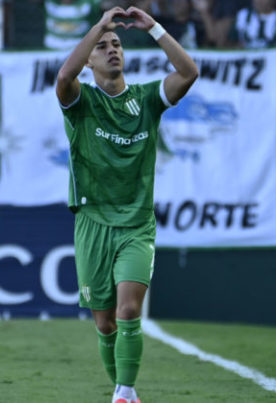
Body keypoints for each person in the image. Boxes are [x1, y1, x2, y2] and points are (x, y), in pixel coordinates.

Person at [55, 5, 198, 403]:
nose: (112, 49)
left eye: (116, 43)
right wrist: (98, 25)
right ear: (90, 60)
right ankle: (123, 390)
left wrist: (153, 28)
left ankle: (124, 392)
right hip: (93, 223)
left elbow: (188, 73)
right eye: (102, 46)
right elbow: (65, 76)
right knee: (104, 324)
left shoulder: (147, 100)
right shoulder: (81, 103)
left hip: (136, 224)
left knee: (129, 312)